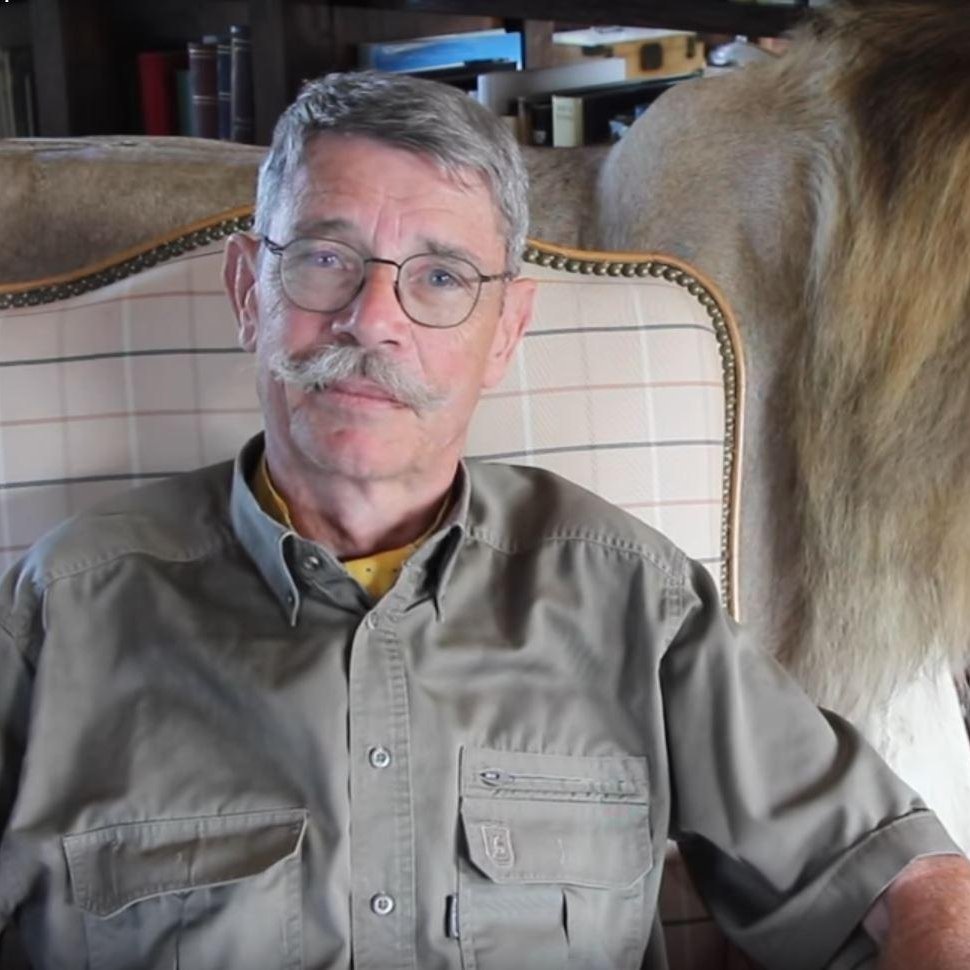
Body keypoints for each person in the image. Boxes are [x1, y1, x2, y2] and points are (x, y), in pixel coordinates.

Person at [0, 71, 968, 970]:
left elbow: (905, 882)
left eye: (440, 277)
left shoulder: (630, 593)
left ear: (504, 330)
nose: (373, 319)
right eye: (327, 258)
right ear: (251, 290)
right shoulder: (63, 609)